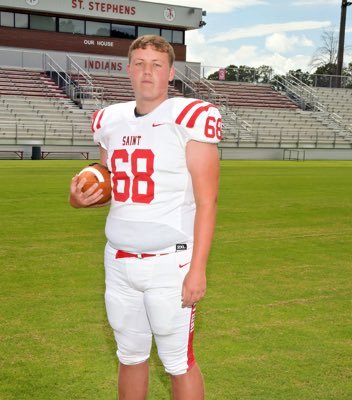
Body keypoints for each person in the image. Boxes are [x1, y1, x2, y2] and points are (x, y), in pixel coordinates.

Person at [69, 35, 222, 400]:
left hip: (170, 262)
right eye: (139, 63)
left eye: (156, 65)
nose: (147, 71)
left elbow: (208, 201)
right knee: (130, 355)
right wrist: (79, 197)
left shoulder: (189, 117)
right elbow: (108, 183)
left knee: (177, 361)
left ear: (170, 73)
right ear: (128, 70)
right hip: (118, 260)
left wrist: (198, 269)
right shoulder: (110, 120)